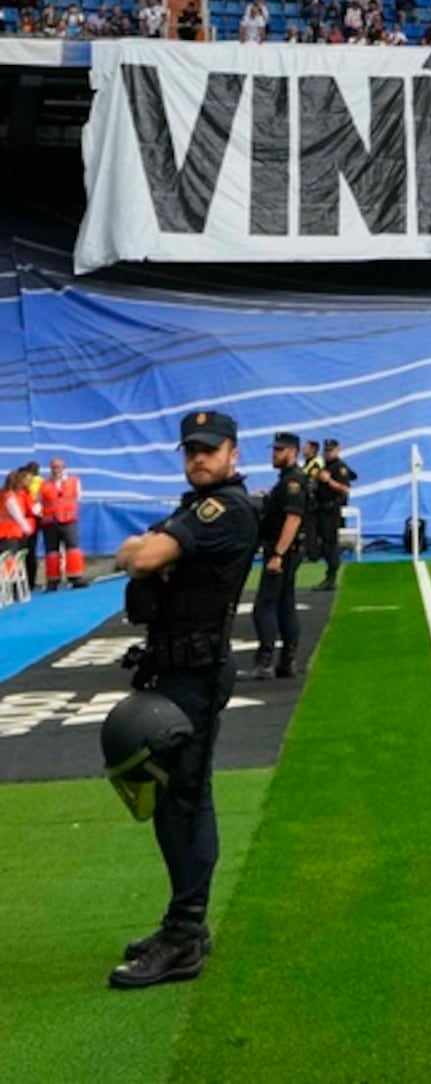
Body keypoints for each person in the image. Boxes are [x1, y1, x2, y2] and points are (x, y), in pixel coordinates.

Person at [107, 407, 259, 990]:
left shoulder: (226, 508)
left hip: (195, 673)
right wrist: (153, 552)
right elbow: (154, 559)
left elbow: (144, 556)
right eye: (191, 449)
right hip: (174, 666)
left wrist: (141, 549)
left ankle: (185, 935)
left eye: (210, 448)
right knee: (179, 797)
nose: (199, 457)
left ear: (232, 453)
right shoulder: (196, 507)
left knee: (184, 800)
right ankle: (184, 924)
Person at [250, 433, 308, 681]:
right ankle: (287, 662)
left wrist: (277, 554)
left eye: (280, 450)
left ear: (293, 452)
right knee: (285, 604)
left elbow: (293, 519)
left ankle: (265, 661)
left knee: (264, 606)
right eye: (274, 449)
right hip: (288, 550)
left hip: (283, 550)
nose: (274, 454)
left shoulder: (293, 482)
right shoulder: (287, 480)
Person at [311, 440, 356, 587]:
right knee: (323, 543)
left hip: (331, 509)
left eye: (330, 451)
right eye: (326, 451)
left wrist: (329, 481)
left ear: (337, 450)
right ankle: (329, 573)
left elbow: (345, 489)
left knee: (330, 543)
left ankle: (331, 577)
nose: (328, 453)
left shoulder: (339, 467)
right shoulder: (324, 465)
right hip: (321, 508)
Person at [38, 452, 86, 590]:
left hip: (68, 520)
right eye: (53, 467)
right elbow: (39, 502)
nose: (56, 470)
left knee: (73, 549)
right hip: (50, 522)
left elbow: (78, 498)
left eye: (58, 467)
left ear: (64, 468)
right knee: (51, 552)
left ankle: (76, 577)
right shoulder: (44, 485)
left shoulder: (74, 481)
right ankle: (53, 581)